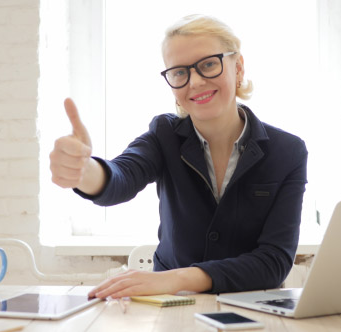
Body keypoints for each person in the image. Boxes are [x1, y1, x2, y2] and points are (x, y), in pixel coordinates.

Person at [49, 14, 308, 299]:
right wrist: (84, 171)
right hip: (175, 309)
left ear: (239, 67)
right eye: (180, 72)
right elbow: (120, 177)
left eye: (209, 64)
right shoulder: (164, 135)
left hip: (252, 309)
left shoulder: (288, 151)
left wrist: (177, 279)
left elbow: (273, 262)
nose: (195, 82)